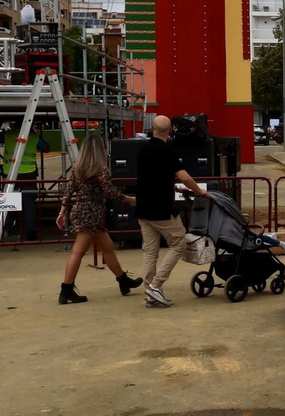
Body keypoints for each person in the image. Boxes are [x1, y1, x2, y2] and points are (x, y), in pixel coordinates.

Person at [56, 134, 141, 303]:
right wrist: (130, 199)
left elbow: (69, 191)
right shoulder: (100, 170)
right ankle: (66, 290)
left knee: (107, 247)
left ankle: (123, 280)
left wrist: (62, 211)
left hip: (80, 211)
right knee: (78, 252)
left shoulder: (77, 169)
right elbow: (110, 192)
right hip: (92, 213)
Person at [136, 115, 208, 307]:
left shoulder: (142, 150)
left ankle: (149, 291)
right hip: (162, 208)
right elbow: (184, 176)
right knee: (179, 244)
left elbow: (151, 177)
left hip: (143, 207)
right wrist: (199, 191)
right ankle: (157, 285)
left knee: (150, 252)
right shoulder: (168, 151)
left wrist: (171, 185)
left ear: (151, 129)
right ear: (170, 131)